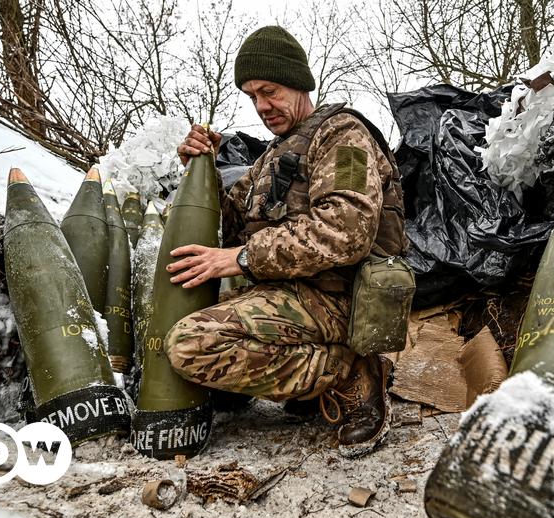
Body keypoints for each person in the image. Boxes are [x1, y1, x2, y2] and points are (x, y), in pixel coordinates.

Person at [164, 25, 408, 457]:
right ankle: (315, 383)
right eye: (251, 96)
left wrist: (241, 258)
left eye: (269, 90)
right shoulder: (272, 158)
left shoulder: (342, 136)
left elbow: (346, 229)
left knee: (192, 345)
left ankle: (349, 372)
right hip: (292, 294)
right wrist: (201, 172)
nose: (261, 106)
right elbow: (229, 227)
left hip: (341, 296)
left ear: (298, 82)